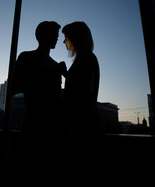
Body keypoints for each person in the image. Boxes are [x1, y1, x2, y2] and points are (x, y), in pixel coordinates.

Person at [12, 21, 66, 185]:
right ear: (40, 36)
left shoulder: (55, 64)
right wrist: (50, 76)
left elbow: (59, 95)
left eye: (57, 36)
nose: (56, 39)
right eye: (53, 35)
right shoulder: (26, 57)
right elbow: (15, 86)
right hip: (35, 124)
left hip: (56, 127)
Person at [62, 21, 102, 186]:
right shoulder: (86, 57)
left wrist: (64, 74)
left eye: (66, 37)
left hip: (84, 126)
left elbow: (86, 88)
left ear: (75, 38)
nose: (63, 42)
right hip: (85, 124)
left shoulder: (85, 57)